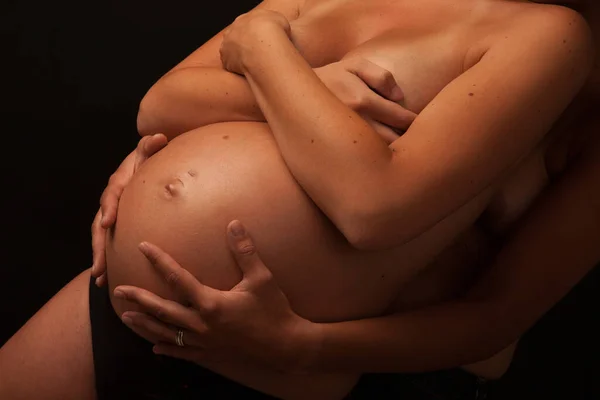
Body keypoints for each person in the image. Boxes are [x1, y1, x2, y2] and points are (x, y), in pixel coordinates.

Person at [0, 0, 595, 399]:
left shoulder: (550, 40)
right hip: (125, 300)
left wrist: (263, 49)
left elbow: (373, 206)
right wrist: (313, 88)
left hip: (268, 364)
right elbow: (160, 105)